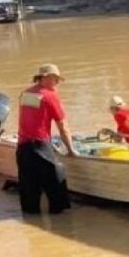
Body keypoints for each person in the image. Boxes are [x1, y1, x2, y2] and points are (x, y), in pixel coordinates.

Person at [17, 63, 77, 215]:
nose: (57, 83)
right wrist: (70, 149)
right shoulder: (50, 96)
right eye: (55, 79)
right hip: (40, 146)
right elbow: (62, 125)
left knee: (29, 190)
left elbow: (30, 118)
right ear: (45, 78)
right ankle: (61, 223)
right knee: (56, 182)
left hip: (23, 148)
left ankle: (32, 223)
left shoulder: (25, 94)